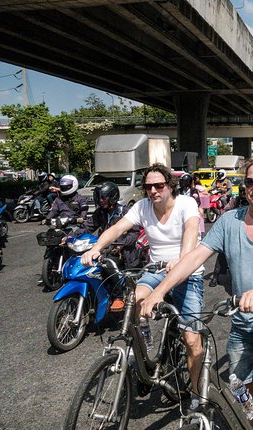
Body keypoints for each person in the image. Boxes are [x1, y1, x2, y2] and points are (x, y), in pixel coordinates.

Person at [139, 156, 253, 430]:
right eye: (250, 181)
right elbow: (194, 258)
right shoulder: (229, 220)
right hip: (244, 318)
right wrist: (159, 291)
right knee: (244, 409)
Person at [81, 163, 204, 410]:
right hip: (156, 270)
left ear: (170, 186)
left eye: (159, 185)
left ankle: (197, 394)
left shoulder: (185, 203)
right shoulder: (142, 207)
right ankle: (144, 347)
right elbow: (117, 228)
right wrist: (95, 248)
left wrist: (183, 258)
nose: (154, 191)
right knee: (134, 300)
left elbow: (191, 230)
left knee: (191, 339)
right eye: (148, 186)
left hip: (187, 270)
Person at [72, 181, 141, 271]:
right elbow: (88, 227)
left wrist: (121, 245)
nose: (101, 200)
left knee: (111, 271)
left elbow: (134, 234)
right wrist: (71, 236)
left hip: (125, 254)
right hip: (105, 249)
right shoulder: (100, 212)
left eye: (104, 197)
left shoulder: (124, 212)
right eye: (99, 197)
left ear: (113, 196)